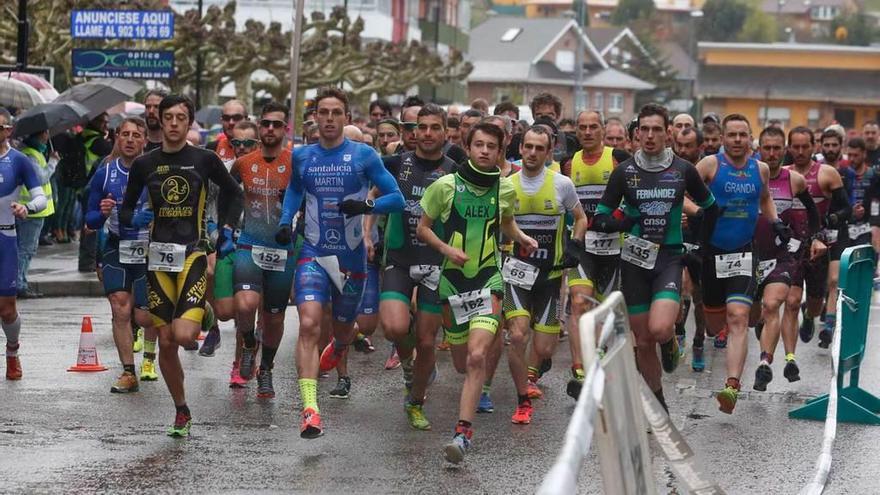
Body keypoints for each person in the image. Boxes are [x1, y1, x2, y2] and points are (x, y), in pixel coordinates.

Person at [276, 87, 404, 438]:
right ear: (314, 117)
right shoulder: (301, 156)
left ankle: (341, 347)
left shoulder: (363, 156)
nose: (329, 119)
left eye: (336, 113)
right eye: (323, 112)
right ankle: (310, 410)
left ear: (346, 118)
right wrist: (286, 222)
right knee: (309, 323)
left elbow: (397, 198)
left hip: (351, 261)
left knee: (347, 329)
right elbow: (294, 191)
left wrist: (366, 208)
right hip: (314, 254)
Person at [120, 94, 243, 437]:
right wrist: (134, 217)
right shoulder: (145, 164)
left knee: (185, 334)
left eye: (180, 117)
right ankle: (181, 410)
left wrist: (228, 231)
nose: (174, 123)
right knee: (167, 341)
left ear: (190, 123)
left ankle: (203, 311)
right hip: (157, 259)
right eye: (168, 117)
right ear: (159, 120)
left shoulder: (204, 159)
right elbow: (126, 209)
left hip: (192, 253)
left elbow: (235, 193)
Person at [417, 121, 537, 463]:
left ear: (500, 152)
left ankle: (463, 432)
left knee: (475, 357)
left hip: (488, 279)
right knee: (460, 362)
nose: (484, 151)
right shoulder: (444, 186)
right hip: (453, 283)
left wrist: (521, 237)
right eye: (479, 145)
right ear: (467, 148)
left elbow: (506, 222)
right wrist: (446, 250)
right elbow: (422, 228)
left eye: (491, 147)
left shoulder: (505, 189)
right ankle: (462, 407)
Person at [591, 103, 718, 413]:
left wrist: (702, 245)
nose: (650, 136)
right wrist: (619, 222)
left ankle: (671, 341)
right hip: (633, 262)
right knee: (643, 341)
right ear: (636, 134)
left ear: (669, 133)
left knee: (660, 329)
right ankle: (659, 401)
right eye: (644, 130)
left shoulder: (683, 170)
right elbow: (601, 217)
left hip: (669, 259)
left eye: (656, 129)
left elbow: (711, 207)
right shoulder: (624, 172)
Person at [694, 114, 786, 414]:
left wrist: (776, 222)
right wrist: (698, 212)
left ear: (750, 139)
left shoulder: (759, 168)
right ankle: (711, 334)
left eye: (742, 135)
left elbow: (765, 199)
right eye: (731, 135)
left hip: (743, 253)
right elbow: (682, 194)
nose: (736, 140)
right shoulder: (709, 165)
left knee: (739, 317)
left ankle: (732, 386)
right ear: (722, 138)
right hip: (711, 253)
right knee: (713, 326)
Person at [374, 103, 456, 428]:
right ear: (413, 131)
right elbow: (363, 174)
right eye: (421, 127)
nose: (427, 134)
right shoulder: (396, 164)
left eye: (435, 128)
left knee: (426, 340)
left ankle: (416, 401)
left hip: (437, 263)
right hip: (399, 258)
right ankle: (408, 365)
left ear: (445, 132)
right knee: (394, 327)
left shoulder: (454, 169)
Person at [504, 125, 587, 424]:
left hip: (550, 277)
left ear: (549, 151)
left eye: (540, 148)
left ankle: (538, 365)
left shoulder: (562, 184)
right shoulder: (507, 185)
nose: (532, 153)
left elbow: (580, 218)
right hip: (516, 274)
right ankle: (522, 399)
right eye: (528, 146)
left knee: (543, 347)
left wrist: (575, 245)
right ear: (520, 148)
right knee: (516, 335)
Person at [85, 117, 159, 391]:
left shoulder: (155, 171)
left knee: (144, 317)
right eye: (124, 134)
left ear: (144, 141)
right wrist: (101, 213)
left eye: (135, 135)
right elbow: (89, 221)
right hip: (117, 245)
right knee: (119, 308)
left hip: (149, 249)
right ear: (117, 138)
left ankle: (150, 357)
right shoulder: (105, 173)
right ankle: (128, 371)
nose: (129, 139)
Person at [561, 110, 629, 398]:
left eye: (593, 127)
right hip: (584, 245)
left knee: (604, 312)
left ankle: (599, 363)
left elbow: (632, 197)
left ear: (603, 129)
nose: (587, 132)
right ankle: (579, 369)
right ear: (576, 131)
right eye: (582, 127)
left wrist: (616, 216)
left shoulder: (618, 159)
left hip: (614, 245)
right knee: (578, 303)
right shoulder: (568, 164)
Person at [229, 101, 295, 399]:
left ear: (285, 129)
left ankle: (266, 369)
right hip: (249, 242)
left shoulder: (296, 163)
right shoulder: (243, 163)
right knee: (244, 304)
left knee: (274, 318)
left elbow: (309, 200)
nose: (270, 129)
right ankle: (248, 342)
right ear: (260, 126)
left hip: (282, 248)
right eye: (266, 123)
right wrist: (223, 231)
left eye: (276, 124)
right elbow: (227, 199)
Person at [750, 126, 821, 391]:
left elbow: (813, 215)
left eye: (777, 148)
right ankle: (759, 326)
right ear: (759, 149)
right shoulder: (747, 177)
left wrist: (815, 237)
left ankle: (764, 365)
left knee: (774, 305)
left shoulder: (795, 180)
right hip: (749, 254)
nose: (771, 153)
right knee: (751, 315)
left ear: (785, 149)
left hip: (782, 255)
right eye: (767, 148)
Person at [788, 127, 850, 349]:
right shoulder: (784, 174)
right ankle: (788, 357)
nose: (801, 151)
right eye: (796, 146)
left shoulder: (827, 173)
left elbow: (846, 209)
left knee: (815, 302)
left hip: (819, 246)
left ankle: (810, 314)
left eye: (805, 146)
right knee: (791, 300)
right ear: (789, 148)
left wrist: (831, 219)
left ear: (814, 147)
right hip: (792, 245)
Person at [0, 112, 48, 380]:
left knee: (6, 309)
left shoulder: (19, 161)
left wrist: (26, 207)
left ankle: (12, 351)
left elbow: (40, 198)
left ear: (7, 130)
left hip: (5, 238)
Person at [221, 120, 261, 386]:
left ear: (257, 144)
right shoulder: (222, 171)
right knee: (228, 311)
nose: (242, 148)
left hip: (263, 247)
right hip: (230, 245)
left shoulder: (268, 170)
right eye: (237, 143)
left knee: (252, 310)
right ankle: (248, 342)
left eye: (248, 143)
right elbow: (209, 207)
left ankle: (244, 364)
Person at [16, 130, 55, 299]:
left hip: (30, 209)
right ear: (38, 135)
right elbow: (41, 177)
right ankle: (19, 284)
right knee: (26, 249)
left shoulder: (34, 152)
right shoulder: (30, 154)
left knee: (23, 249)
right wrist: (53, 162)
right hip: (32, 211)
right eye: (45, 133)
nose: (47, 136)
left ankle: (18, 282)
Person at [77, 113, 114, 273]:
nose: (105, 125)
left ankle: (87, 261)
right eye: (103, 122)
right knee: (93, 226)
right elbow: (110, 153)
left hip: (84, 183)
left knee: (89, 225)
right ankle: (91, 261)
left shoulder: (82, 137)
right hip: (92, 185)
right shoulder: (98, 142)